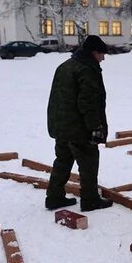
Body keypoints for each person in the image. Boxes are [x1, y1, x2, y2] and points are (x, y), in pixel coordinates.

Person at [45, 35, 113, 211]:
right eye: (101, 54)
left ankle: (54, 197)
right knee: (89, 162)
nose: (103, 58)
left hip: (61, 126)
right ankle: (90, 200)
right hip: (78, 128)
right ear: (93, 52)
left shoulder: (65, 66)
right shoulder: (87, 70)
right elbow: (88, 103)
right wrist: (95, 127)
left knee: (62, 161)